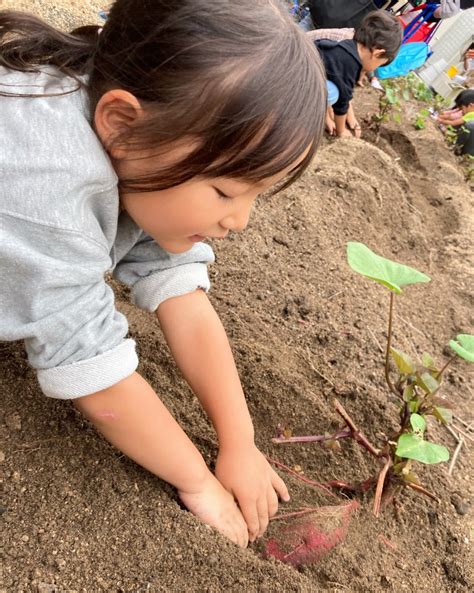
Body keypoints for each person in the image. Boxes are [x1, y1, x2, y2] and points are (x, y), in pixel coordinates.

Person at [0, 0, 327, 548]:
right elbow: (94, 372)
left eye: (256, 196)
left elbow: (185, 301)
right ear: (122, 124)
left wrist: (239, 441)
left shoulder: (144, 140)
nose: (239, 220)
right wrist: (197, 481)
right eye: (225, 190)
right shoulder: (45, 181)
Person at [315, 10, 402, 138]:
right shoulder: (350, 64)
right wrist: (341, 131)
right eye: (380, 64)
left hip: (300, 67)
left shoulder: (348, 46)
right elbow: (342, 104)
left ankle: (318, 113)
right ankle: (310, 114)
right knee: (333, 93)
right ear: (377, 53)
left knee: (332, 89)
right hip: (295, 80)